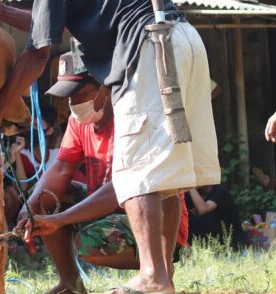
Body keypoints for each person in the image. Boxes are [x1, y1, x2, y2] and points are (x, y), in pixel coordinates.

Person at [0, 0, 220, 292]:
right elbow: (53, 25)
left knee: (138, 169)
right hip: (181, 39)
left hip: (147, 46)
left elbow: (38, 52)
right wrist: (3, 13)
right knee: (164, 177)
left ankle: (152, 276)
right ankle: (162, 278)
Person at [16, 52, 189, 293]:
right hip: (107, 212)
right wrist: (31, 207)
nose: (74, 103)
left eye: (80, 94)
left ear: (105, 88)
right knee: (45, 197)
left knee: (88, 244)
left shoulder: (130, 114)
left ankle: (158, 272)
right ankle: (70, 284)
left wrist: (60, 220)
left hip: (151, 219)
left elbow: (121, 186)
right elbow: (61, 168)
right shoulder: (78, 122)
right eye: (68, 96)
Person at [185, 185, 247, 250]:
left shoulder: (220, 190)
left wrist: (191, 187)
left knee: (209, 218)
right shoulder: (191, 192)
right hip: (204, 241)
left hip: (229, 241)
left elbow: (203, 209)